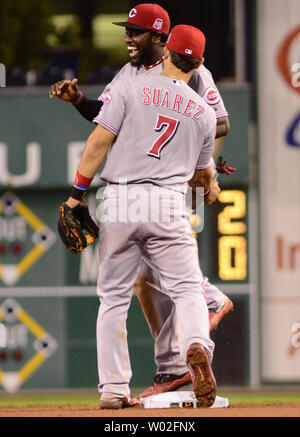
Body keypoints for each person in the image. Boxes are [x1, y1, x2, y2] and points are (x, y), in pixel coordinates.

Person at [50, 3, 233, 398]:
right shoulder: (182, 99)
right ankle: (191, 344)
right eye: (127, 30)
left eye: (136, 31)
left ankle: (115, 389)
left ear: (164, 45)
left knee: (114, 298)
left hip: (121, 197)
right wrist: (209, 175)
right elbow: (207, 142)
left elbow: (102, 136)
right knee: (167, 285)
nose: (128, 37)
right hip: (167, 197)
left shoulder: (145, 84)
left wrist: (76, 195)